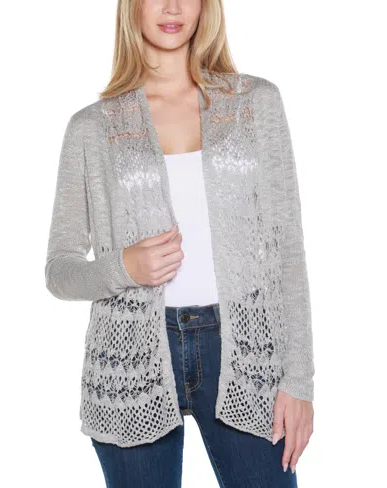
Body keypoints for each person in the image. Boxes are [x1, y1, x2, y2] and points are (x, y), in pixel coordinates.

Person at [45, 0, 315, 486]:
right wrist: (123, 267)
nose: (172, 7)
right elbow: (59, 271)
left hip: (246, 350)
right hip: (130, 361)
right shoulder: (92, 127)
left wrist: (299, 382)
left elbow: (288, 252)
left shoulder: (255, 103)